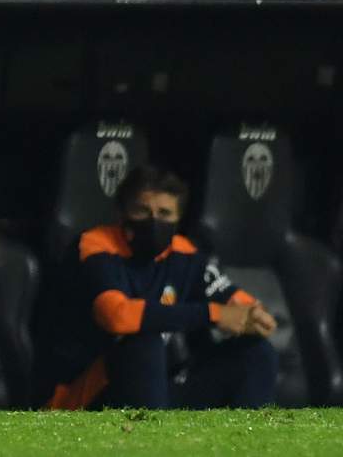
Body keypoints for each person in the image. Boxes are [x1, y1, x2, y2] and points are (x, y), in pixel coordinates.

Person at [45, 165, 278, 409]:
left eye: (164, 213)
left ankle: (247, 434)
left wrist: (253, 315)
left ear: (178, 220)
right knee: (144, 343)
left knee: (257, 353)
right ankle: (153, 434)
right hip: (84, 396)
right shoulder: (95, 246)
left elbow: (239, 302)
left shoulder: (184, 254)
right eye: (141, 211)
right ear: (121, 213)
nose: (153, 222)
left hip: (152, 393)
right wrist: (215, 314)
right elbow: (116, 315)